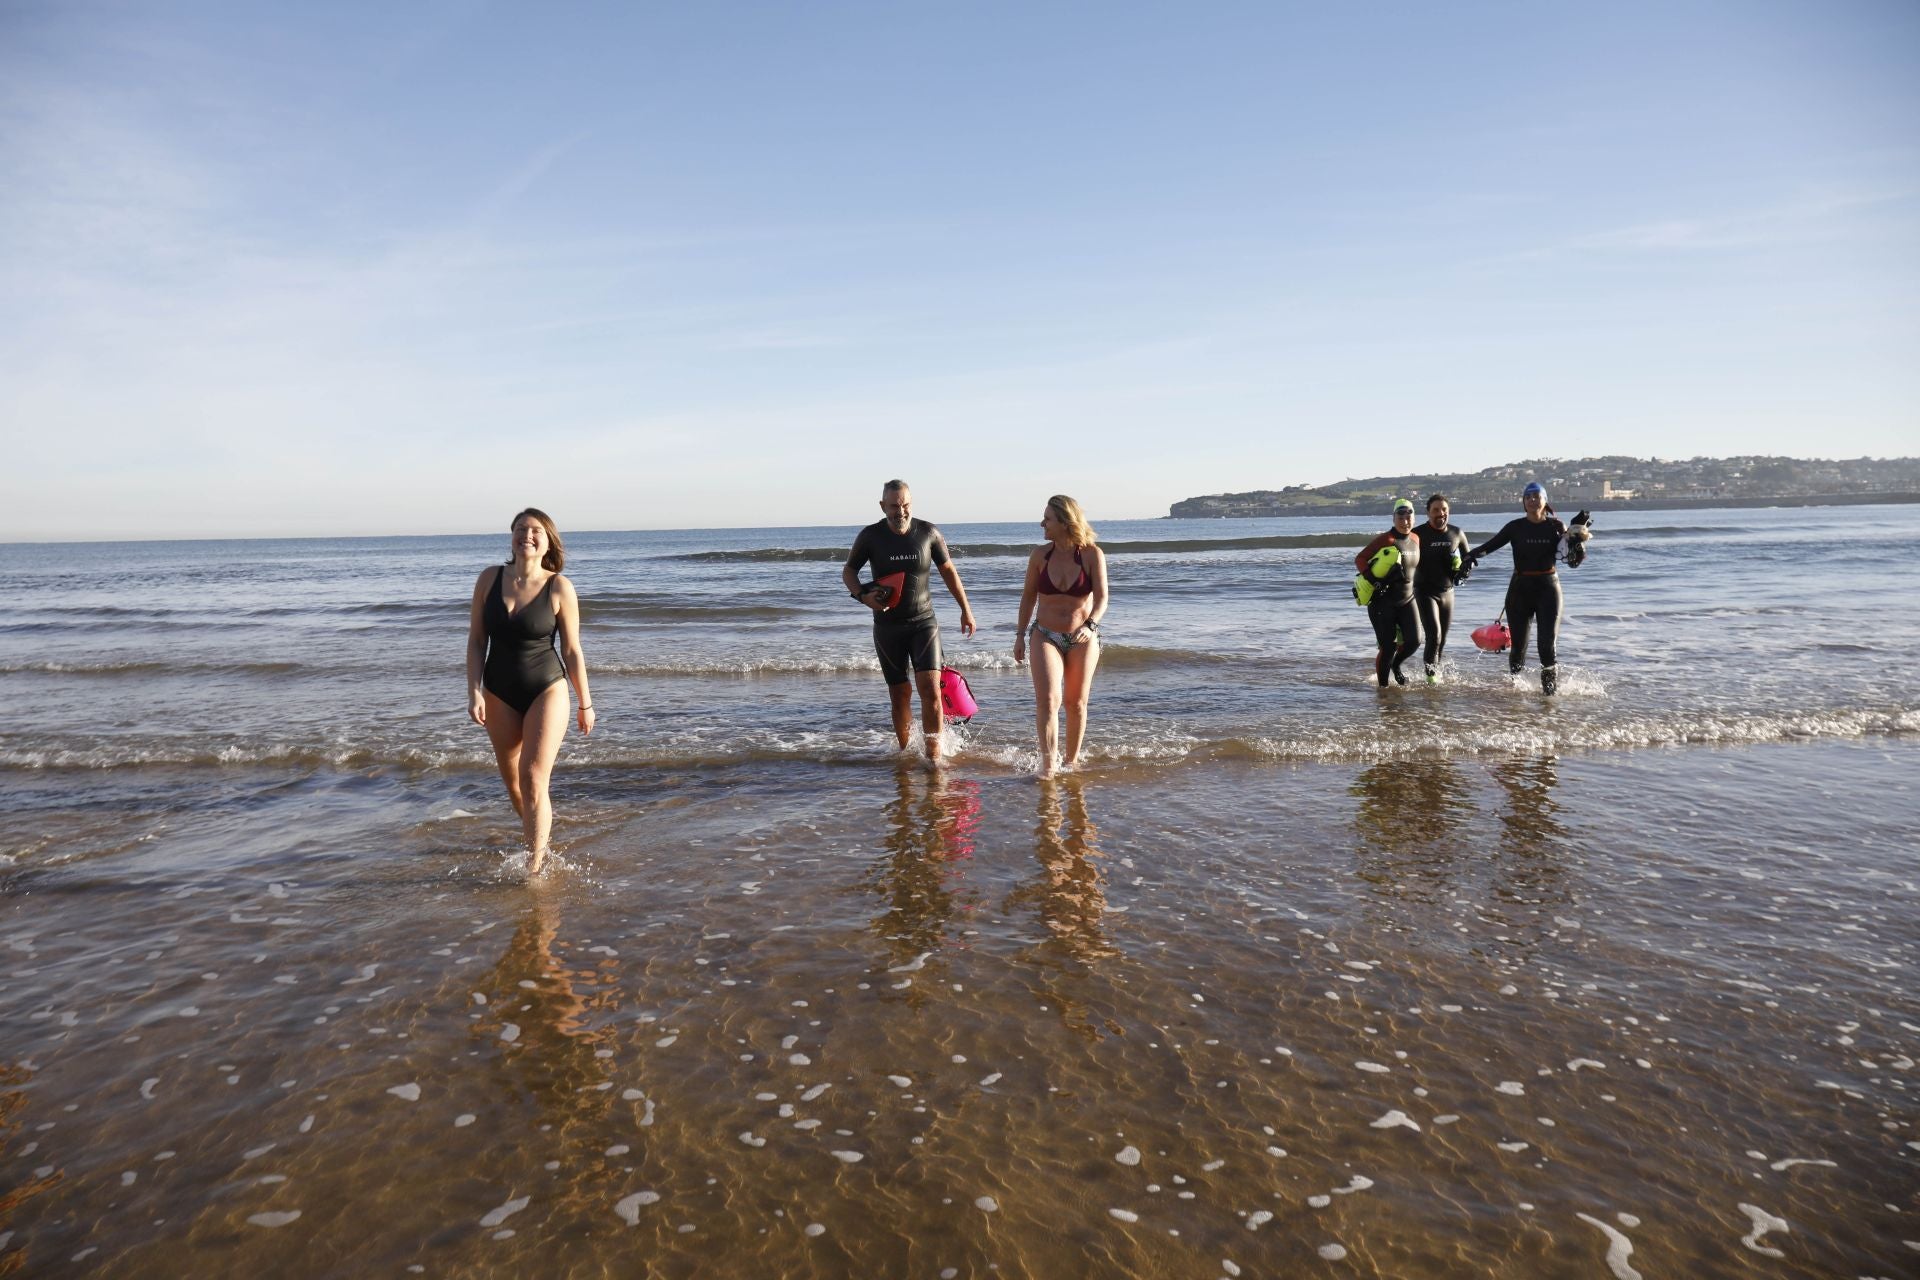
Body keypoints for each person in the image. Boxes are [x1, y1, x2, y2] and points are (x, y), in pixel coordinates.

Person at [466, 508, 595, 872]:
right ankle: (540, 833)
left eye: (536, 530)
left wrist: (586, 703)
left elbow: (571, 649)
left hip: (546, 688)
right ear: (511, 537)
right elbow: (476, 641)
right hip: (498, 692)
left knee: (534, 776)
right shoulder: (489, 579)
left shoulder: (559, 587)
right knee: (515, 787)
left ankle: (535, 867)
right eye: (521, 528)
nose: (527, 534)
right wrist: (473, 690)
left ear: (547, 541)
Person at [842, 480, 978, 763]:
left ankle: (934, 756)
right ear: (883, 506)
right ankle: (906, 754)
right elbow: (849, 572)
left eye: (905, 505)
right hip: (887, 626)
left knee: (929, 687)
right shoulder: (870, 536)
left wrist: (965, 609)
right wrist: (862, 597)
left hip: (923, 622)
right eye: (893, 506)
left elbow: (949, 570)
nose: (900, 511)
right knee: (900, 693)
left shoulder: (928, 533)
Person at [1013, 495, 1109, 776]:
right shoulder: (1040, 555)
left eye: (1048, 519)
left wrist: (1090, 625)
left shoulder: (1091, 554)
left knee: (1076, 703)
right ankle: (1048, 765)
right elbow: (1028, 597)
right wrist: (1020, 635)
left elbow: (1102, 598)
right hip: (1045, 635)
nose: (1042, 523)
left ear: (1066, 522)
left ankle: (1072, 760)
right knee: (1048, 701)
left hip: (1083, 637)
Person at [1466, 481, 1575, 694]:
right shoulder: (1515, 527)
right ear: (1524, 503)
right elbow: (1491, 545)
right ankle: (1516, 689)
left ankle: (1549, 694)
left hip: (1548, 589)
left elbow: (1570, 560)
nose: (1533, 500)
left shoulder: (1556, 527)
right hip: (1520, 591)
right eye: (1529, 497)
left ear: (1545, 501)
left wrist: (1577, 540)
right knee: (1518, 647)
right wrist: (1469, 556)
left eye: (1537, 496)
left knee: (1547, 645)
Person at [1355, 498, 1423, 687]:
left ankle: (1397, 665)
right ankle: (1383, 690)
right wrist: (1373, 580)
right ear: (1394, 519)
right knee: (1388, 647)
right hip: (1382, 602)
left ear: (1414, 518)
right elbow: (1360, 559)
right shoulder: (1387, 540)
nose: (1405, 520)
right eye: (1400, 516)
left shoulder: (1416, 539)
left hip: (1407, 599)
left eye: (1408, 516)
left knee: (1415, 640)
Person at [1411, 493, 1472, 684]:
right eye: (1436, 510)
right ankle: (1431, 680)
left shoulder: (1457, 533)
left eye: (1444, 509)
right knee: (1434, 636)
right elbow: (1403, 557)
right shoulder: (1417, 534)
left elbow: (1468, 559)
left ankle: (1433, 673)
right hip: (1424, 591)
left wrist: (1463, 572)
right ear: (1428, 512)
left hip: (1447, 592)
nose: (1440, 513)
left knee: (1442, 640)